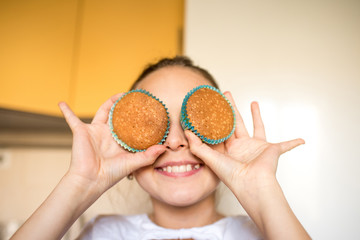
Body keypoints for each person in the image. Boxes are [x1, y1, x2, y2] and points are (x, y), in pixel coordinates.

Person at [11, 56, 311, 240]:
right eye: (155, 125)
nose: (176, 141)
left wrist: (259, 189)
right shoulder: (104, 234)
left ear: (226, 139)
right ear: (127, 148)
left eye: (194, 123)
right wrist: (81, 183)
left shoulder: (268, 232)